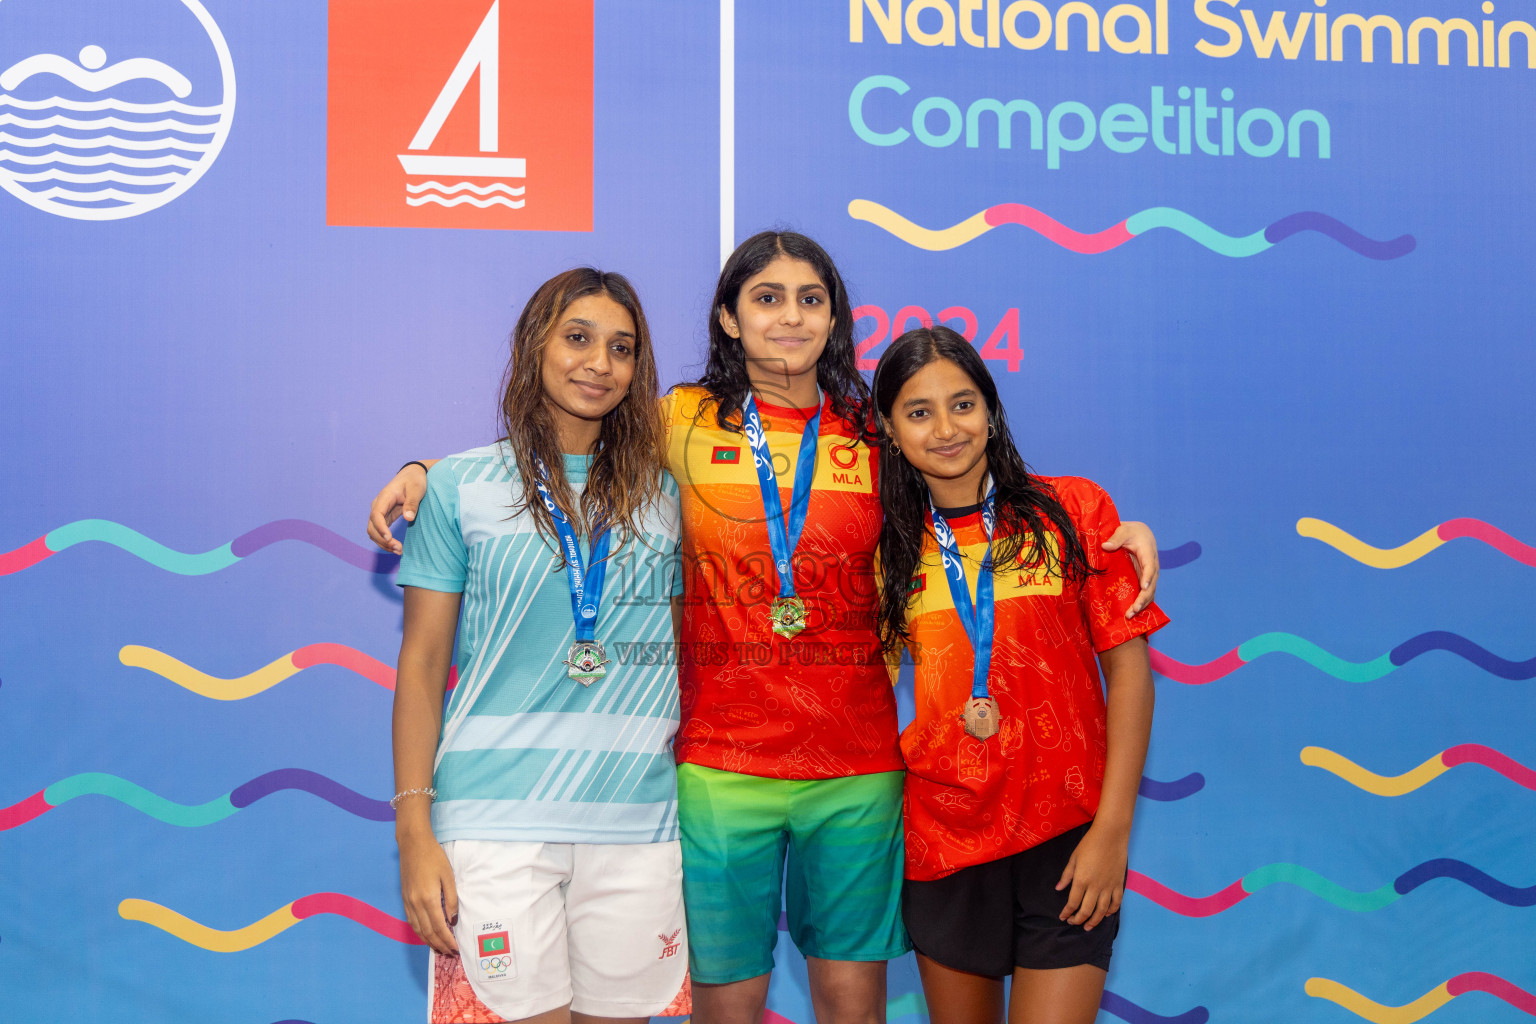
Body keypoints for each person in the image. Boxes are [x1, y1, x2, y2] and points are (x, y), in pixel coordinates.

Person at [369, 232, 1161, 1024]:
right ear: (728, 318)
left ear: (835, 318)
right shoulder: (679, 421)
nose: (790, 317)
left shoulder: (874, 434)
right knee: (729, 1002)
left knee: (853, 1001)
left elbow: (972, 492)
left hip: (856, 770)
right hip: (720, 765)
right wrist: (427, 474)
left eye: (810, 299)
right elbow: (570, 443)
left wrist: (1110, 534)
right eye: (767, 298)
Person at [391, 268, 689, 1024]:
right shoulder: (459, 486)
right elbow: (423, 667)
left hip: (637, 826)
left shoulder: (667, 493)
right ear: (534, 347)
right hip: (494, 826)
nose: (599, 363)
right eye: (578, 338)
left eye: (621, 348)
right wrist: (413, 832)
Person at [871, 326, 1167, 1024]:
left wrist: (1113, 832)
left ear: (992, 410)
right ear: (889, 429)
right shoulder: (885, 551)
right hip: (946, 843)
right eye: (919, 411)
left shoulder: (1073, 512)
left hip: (1070, 840)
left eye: (963, 404)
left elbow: (1129, 675)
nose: (946, 428)